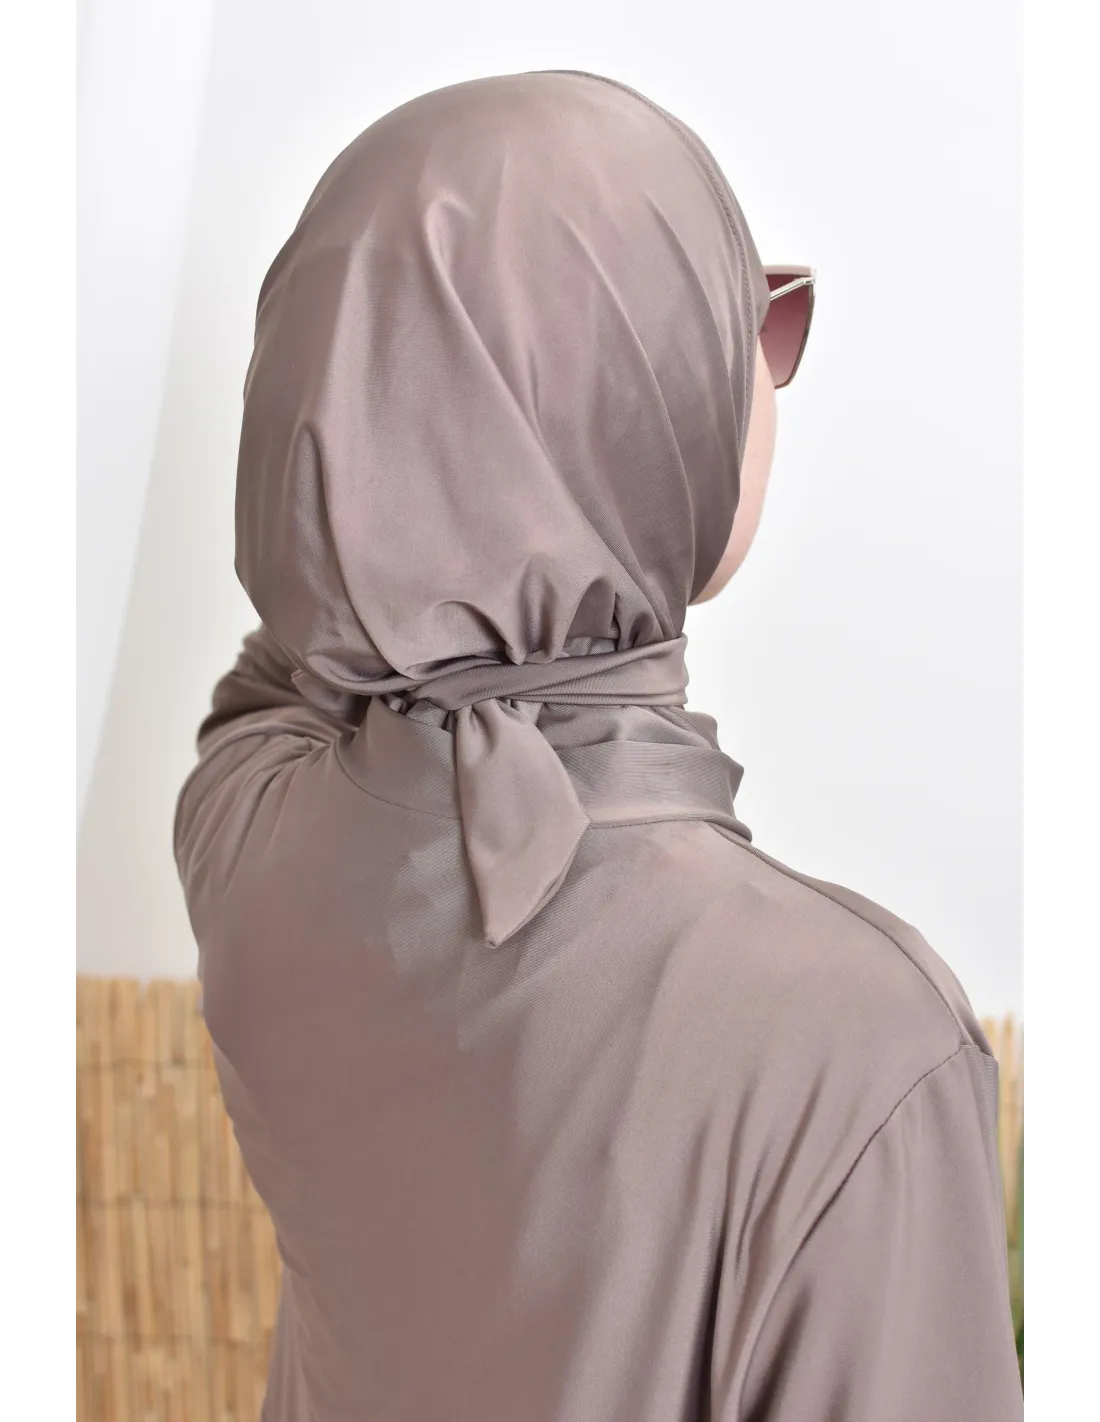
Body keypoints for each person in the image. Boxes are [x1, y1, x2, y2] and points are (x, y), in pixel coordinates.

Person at [173, 70, 1023, 1421]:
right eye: (741, 324)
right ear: (639, 410)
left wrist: (387, 461)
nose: (768, 370)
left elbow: (287, 660)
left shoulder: (248, 842)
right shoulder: (863, 1043)